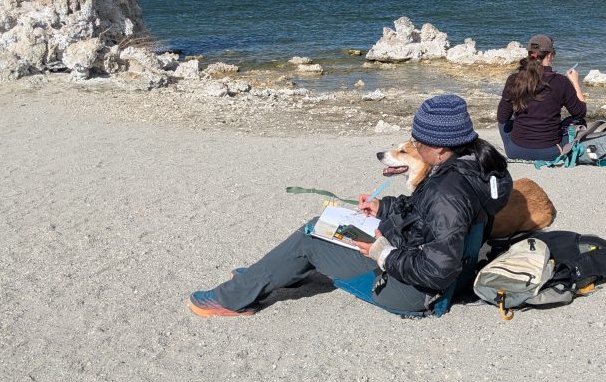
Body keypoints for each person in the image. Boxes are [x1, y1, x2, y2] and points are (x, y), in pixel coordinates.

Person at [189, 94, 513, 317]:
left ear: (442, 147)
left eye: (419, 143)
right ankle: (274, 272)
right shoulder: (479, 164)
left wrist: (382, 253)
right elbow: (427, 214)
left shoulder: (448, 191)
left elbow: (437, 268)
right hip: (427, 259)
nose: (415, 146)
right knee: (329, 223)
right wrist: (383, 208)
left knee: (312, 234)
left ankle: (233, 298)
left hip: (414, 292)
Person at [496, 34, 587, 160]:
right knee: (580, 122)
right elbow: (580, 112)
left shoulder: (514, 79)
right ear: (549, 56)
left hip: (515, 151)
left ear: (529, 54)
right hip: (551, 151)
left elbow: (501, 117)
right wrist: (575, 82)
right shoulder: (561, 81)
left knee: (504, 121)